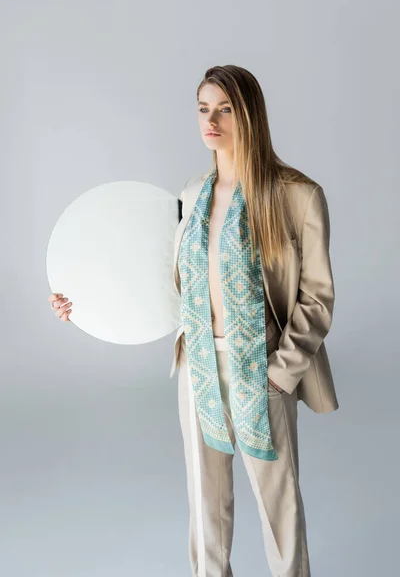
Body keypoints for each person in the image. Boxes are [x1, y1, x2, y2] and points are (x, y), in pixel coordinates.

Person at [49, 63, 339, 577]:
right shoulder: (191, 193)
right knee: (205, 507)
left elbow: (316, 298)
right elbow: (157, 277)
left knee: (280, 510)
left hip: (264, 369)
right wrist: (84, 301)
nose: (212, 120)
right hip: (198, 366)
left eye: (225, 109)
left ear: (248, 114)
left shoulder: (297, 195)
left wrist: (280, 373)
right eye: (204, 109)